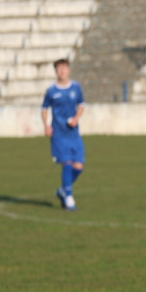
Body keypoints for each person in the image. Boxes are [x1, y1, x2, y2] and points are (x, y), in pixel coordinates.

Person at [41, 59, 85, 212]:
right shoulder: (51, 91)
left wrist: (76, 118)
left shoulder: (76, 87)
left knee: (78, 167)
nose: (62, 71)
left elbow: (81, 105)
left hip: (74, 133)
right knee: (66, 164)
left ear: (69, 70)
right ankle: (69, 198)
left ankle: (62, 191)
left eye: (64, 68)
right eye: (59, 69)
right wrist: (46, 125)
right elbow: (44, 109)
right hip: (58, 134)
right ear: (56, 71)